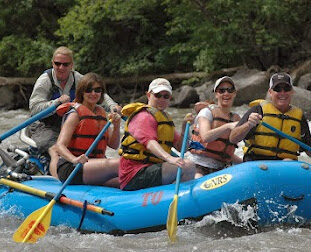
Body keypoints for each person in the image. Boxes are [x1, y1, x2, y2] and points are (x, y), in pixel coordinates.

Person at [28, 46, 121, 178]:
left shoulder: (78, 78)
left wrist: (113, 106)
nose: (61, 68)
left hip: (67, 120)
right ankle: (57, 180)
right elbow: (34, 108)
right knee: (56, 150)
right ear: (52, 63)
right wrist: (56, 103)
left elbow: (97, 91)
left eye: (65, 64)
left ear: (72, 65)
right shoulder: (45, 80)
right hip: (44, 124)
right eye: (57, 64)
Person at [230, 72, 311, 162]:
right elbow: (233, 138)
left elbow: (308, 145)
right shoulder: (258, 110)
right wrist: (248, 124)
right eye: (277, 89)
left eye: (286, 89)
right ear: (270, 92)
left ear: (292, 91)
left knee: (288, 161)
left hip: (285, 166)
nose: (282, 93)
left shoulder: (299, 117)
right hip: (258, 163)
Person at [119, 78, 195, 191]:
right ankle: (177, 201)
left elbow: (182, 149)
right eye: (158, 95)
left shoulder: (164, 119)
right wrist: (169, 158)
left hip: (151, 168)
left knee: (187, 164)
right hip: (135, 174)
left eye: (166, 96)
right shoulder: (143, 116)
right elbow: (150, 143)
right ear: (149, 95)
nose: (162, 99)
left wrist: (184, 127)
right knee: (187, 167)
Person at [54, 73, 121, 187]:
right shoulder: (75, 114)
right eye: (89, 90)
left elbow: (114, 145)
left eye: (97, 90)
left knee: (124, 181)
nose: (93, 93)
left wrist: (117, 126)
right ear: (82, 92)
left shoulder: (101, 113)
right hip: (72, 168)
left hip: (94, 166)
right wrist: (74, 159)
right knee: (121, 164)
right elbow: (59, 146)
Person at [186, 76, 242, 178]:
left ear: (234, 94)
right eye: (222, 91)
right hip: (198, 164)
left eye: (230, 90)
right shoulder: (207, 112)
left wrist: (245, 163)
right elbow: (206, 137)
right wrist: (228, 126)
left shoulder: (236, 118)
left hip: (220, 167)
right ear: (216, 94)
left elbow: (225, 151)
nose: (226, 93)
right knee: (199, 180)